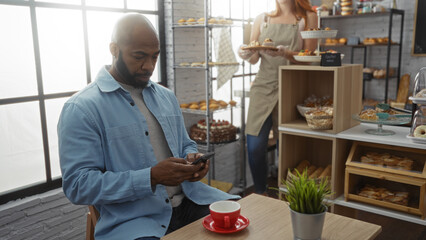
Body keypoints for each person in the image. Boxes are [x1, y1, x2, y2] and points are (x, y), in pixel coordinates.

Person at [58, 13, 239, 240]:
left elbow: (185, 144)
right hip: (135, 221)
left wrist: (193, 159)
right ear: (114, 49)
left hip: (192, 201)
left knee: (252, 226)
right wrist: (151, 177)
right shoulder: (82, 109)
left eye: (155, 56)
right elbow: (77, 186)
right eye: (139, 57)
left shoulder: (166, 96)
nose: (149, 66)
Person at [238, 0, 317, 194]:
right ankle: (260, 192)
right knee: (255, 145)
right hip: (262, 87)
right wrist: (244, 53)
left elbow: (310, 58)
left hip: (292, 87)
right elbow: (255, 56)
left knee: (287, 149)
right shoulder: (261, 19)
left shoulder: (308, 17)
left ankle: (288, 195)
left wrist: (287, 54)